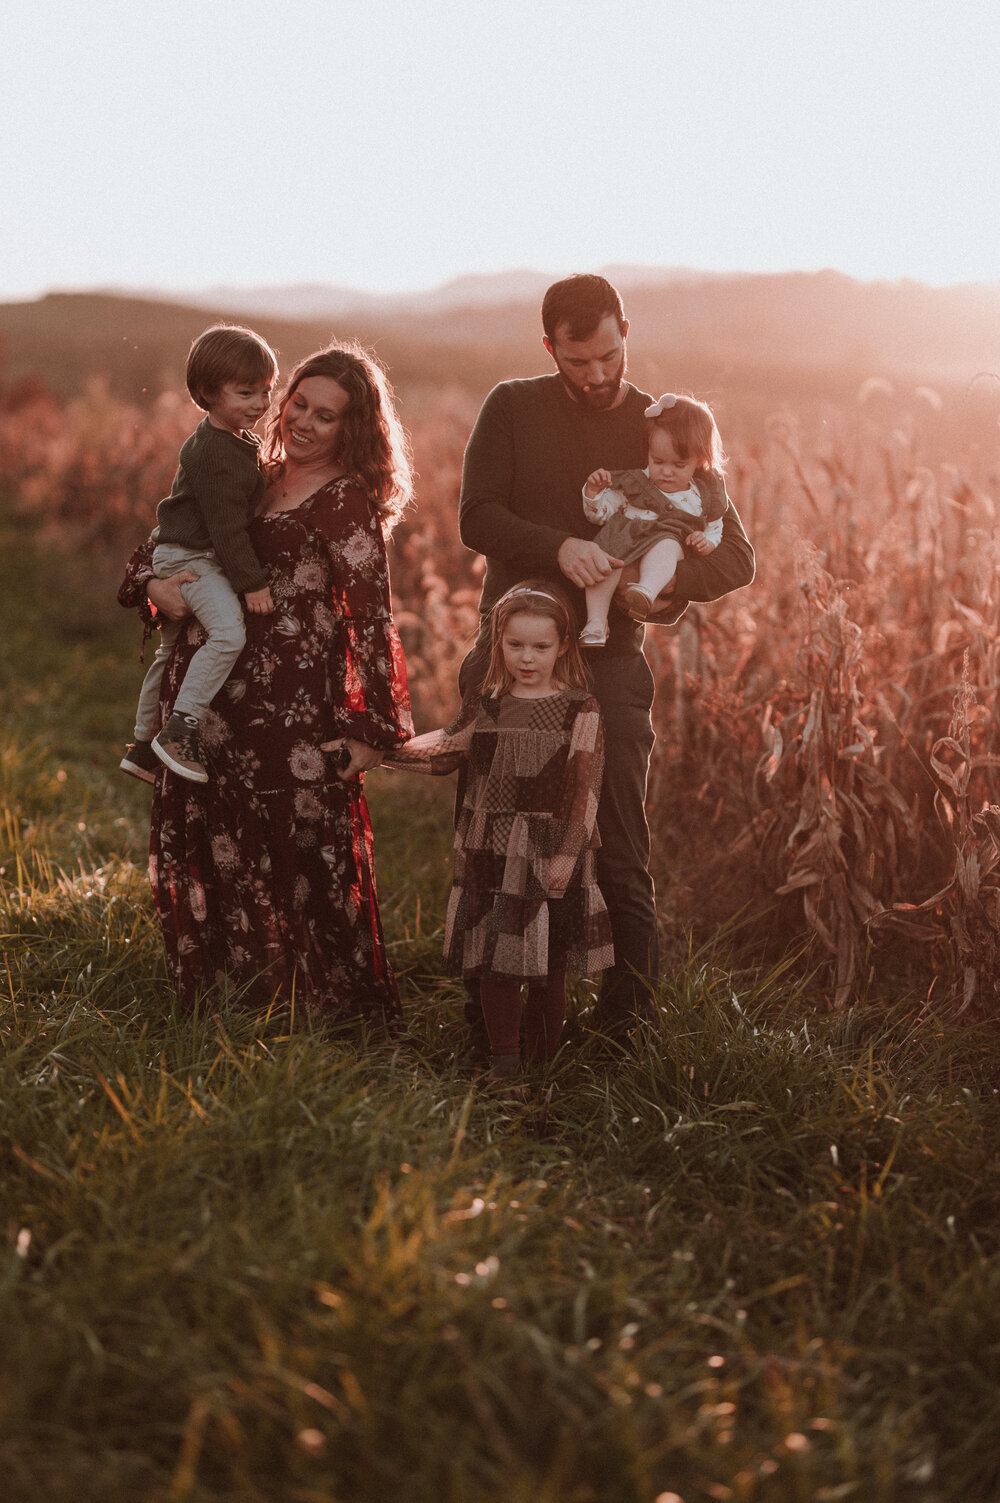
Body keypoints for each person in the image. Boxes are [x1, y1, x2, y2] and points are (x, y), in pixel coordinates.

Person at [457, 273, 755, 1044]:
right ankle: (488, 1015)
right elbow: (477, 516)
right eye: (578, 361)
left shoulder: (665, 425)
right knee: (496, 837)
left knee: (622, 841)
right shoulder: (512, 406)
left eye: (610, 356)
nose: (597, 376)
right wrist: (560, 546)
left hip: (611, 658)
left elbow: (734, 560)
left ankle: (630, 1025)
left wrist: (651, 592)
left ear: (627, 329)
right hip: (514, 658)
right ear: (548, 346)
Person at [118, 343, 414, 1022]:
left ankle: (308, 1017)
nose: (304, 421)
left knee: (295, 858)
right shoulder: (247, 467)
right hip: (203, 710)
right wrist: (155, 585)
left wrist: (372, 731)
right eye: (299, 403)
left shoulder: (345, 502)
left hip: (290, 717)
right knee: (217, 847)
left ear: (355, 427)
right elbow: (166, 539)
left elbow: (371, 620)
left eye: (326, 415)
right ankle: (228, 1006)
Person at [377, 582, 612, 1083]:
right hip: (489, 849)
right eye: (515, 645)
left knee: (549, 970)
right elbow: (444, 751)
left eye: (541, 647)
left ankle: (543, 1068)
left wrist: (564, 862)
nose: (527, 658)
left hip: (549, 853)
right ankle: (504, 1066)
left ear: (564, 646)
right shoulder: (487, 704)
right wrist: (378, 753)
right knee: (493, 961)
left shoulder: (580, 708)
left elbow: (582, 791)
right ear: (499, 643)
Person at [120, 324, 278, 787]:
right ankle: (180, 730)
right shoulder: (214, 452)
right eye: (246, 392)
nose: (260, 403)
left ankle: (144, 746)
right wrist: (253, 584)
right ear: (208, 393)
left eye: (266, 391)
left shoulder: (234, 441)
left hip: (182, 554)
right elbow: (227, 530)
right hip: (192, 561)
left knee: (170, 652)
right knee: (228, 634)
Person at [579, 393, 729, 646]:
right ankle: (595, 622)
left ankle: (646, 591)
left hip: (666, 542)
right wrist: (593, 495)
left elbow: (715, 527)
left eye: (679, 465)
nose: (666, 472)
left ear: (700, 461)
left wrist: (707, 541)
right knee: (604, 560)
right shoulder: (636, 482)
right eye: (657, 461)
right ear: (648, 451)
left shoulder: (701, 496)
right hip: (622, 541)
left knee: (667, 546)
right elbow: (600, 516)